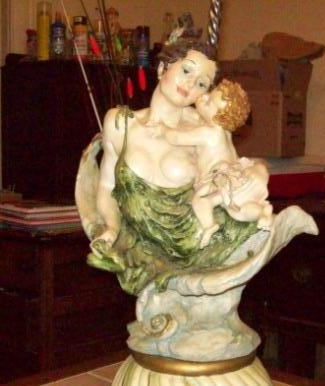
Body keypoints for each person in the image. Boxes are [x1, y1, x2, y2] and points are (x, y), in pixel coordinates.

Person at [87, 39, 260, 295]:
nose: (190, 84)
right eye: (186, 70)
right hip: (143, 250)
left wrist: (256, 173)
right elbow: (106, 186)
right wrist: (112, 228)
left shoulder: (204, 129)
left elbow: (232, 170)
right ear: (162, 68)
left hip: (200, 247)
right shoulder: (120, 122)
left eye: (201, 84)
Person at [162, 79, 273, 248]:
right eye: (208, 94)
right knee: (238, 209)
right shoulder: (225, 132)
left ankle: (209, 225)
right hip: (236, 174)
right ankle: (262, 211)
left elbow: (176, 138)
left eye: (208, 101)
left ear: (218, 117)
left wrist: (163, 129)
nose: (203, 97)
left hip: (218, 177)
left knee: (200, 200)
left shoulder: (208, 132)